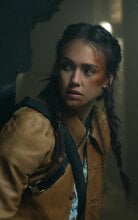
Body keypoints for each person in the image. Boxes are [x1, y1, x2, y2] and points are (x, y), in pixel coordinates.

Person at [0, 23, 129, 220]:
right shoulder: (31, 127)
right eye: (67, 66)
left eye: (88, 70)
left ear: (107, 79)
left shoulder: (99, 125)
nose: (75, 80)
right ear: (56, 70)